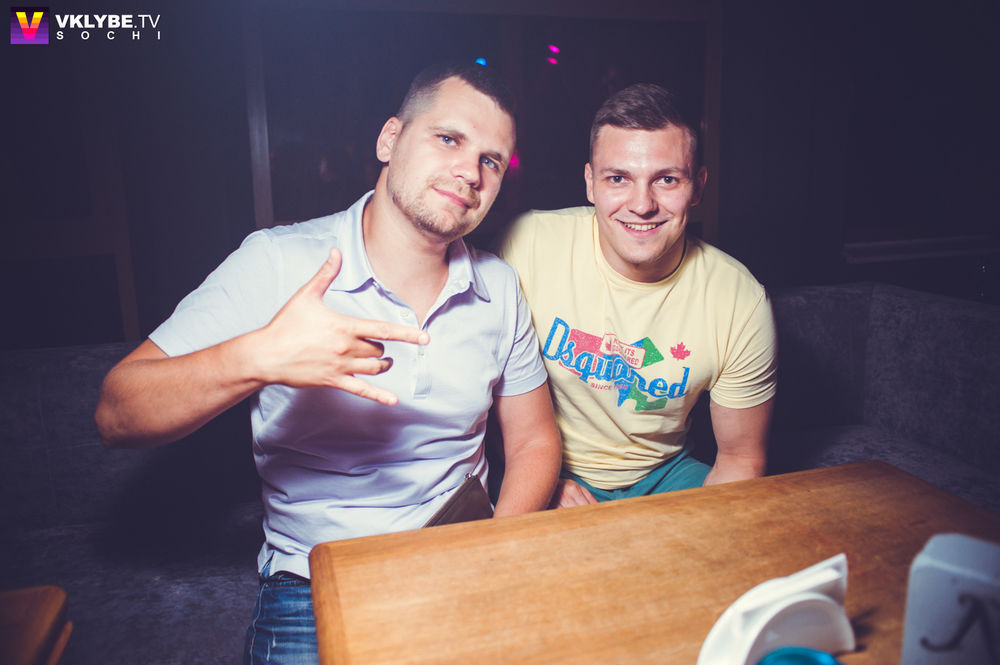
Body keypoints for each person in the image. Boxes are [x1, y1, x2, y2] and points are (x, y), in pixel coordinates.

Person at [94, 62, 562, 665]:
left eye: (491, 161)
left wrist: (492, 551)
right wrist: (258, 356)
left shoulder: (498, 287)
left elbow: (534, 441)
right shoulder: (279, 262)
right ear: (389, 140)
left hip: (459, 555)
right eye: (449, 139)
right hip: (312, 577)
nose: (470, 172)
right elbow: (117, 413)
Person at [500, 83, 776, 509]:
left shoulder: (740, 300)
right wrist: (539, 479)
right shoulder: (527, 244)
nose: (642, 204)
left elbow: (740, 459)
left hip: (666, 473)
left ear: (698, 187)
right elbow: (469, 404)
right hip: (549, 464)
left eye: (667, 179)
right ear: (590, 183)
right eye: (618, 178)